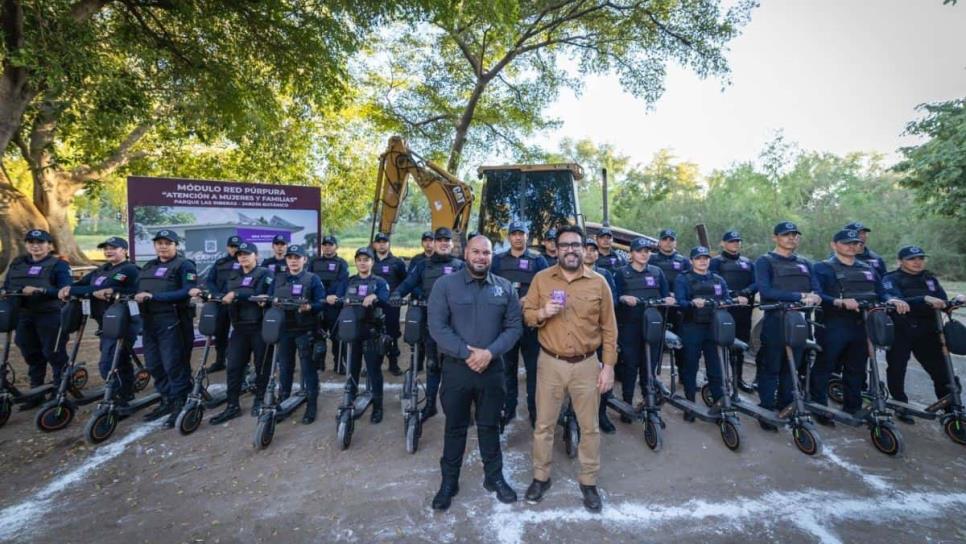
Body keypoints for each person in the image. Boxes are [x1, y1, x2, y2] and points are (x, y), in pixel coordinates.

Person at [522, 225, 617, 513]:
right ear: (557, 248)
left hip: (587, 364)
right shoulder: (541, 279)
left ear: (584, 248)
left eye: (576, 244)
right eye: (565, 245)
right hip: (550, 362)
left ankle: (588, 482)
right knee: (544, 426)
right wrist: (542, 313)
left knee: (590, 428)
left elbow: (609, 329)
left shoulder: (599, 283)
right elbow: (526, 315)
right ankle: (541, 477)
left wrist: (608, 367)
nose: (571, 250)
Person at [427, 235, 522, 510]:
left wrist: (489, 353)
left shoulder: (504, 288)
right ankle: (449, 482)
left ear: (492, 256)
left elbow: (514, 327)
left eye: (487, 253)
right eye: (477, 252)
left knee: (490, 426)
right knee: (455, 428)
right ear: (466, 253)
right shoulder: (445, 285)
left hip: (492, 371)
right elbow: (437, 327)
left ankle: (494, 478)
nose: (481, 257)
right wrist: (468, 353)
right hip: (457, 370)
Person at [813, 229, 908, 419]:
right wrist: (838, 302)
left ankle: (852, 406)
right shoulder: (821, 268)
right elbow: (817, 294)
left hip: (863, 324)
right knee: (825, 366)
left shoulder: (867, 268)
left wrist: (892, 300)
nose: (852, 246)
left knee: (856, 368)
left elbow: (881, 292)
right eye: (847, 243)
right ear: (834, 245)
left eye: (855, 243)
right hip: (834, 324)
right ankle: (819, 407)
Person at [753, 221, 823, 431]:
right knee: (771, 366)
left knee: (792, 367)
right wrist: (800, 296)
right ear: (775, 238)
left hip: (800, 321)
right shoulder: (765, 261)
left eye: (794, 235)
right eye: (786, 235)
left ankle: (786, 407)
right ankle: (766, 410)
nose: (791, 238)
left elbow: (817, 290)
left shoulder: (806, 263)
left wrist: (816, 298)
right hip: (775, 320)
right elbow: (766, 291)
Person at [883, 246, 966, 422]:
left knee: (941, 371)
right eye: (912, 259)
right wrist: (924, 299)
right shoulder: (890, 279)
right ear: (900, 262)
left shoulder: (929, 279)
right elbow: (894, 300)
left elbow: (942, 301)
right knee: (897, 369)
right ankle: (900, 405)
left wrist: (955, 301)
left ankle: (950, 409)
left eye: (921, 258)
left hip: (928, 331)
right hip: (901, 331)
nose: (917, 262)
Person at [391, 227, 465, 423]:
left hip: (455, 327)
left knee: (456, 368)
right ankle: (430, 405)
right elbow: (408, 283)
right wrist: (398, 294)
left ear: (451, 244)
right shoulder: (423, 265)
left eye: (446, 240)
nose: (443, 243)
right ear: (434, 242)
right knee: (432, 366)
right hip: (430, 324)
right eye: (439, 239)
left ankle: (459, 409)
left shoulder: (460, 266)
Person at [59, 237, 139, 406]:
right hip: (106, 323)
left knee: (107, 364)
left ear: (124, 251)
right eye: (106, 248)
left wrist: (77, 290)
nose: (108, 251)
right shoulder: (101, 270)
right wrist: (69, 289)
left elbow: (116, 288)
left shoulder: (129, 269)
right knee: (121, 359)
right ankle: (126, 392)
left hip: (124, 322)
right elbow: (83, 284)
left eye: (113, 248)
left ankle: (117, 398)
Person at [134, 229, 198, 427]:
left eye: (167, 243)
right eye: (159, 243)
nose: (162, 246)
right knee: (154, 364)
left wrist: (155, 297)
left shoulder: (184, 265)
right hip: (149, 321)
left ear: (175, 245)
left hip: (172, 320)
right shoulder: (149, 266)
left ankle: (180, 402)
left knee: (174, 364)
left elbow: (187, 291)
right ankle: (167, 399)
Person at [204, 241, 273, 424]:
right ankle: (232, 405)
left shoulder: (265, 274)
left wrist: (237, 295)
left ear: (255, 256)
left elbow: (261, 295)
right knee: (234, 367)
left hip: (259, 328)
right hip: (239, 328)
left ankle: (259, 400)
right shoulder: (233, 275)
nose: (242, 257)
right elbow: (225, 293)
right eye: (240, 254)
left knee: (261, 367)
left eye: (247, 254)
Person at [2, 229, 71, 408]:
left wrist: (41, 290)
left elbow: (66, 291)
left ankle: (60, 390)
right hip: (24, 315)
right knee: (30, 351)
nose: (35, 245)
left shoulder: (58, 265)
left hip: (50, 315)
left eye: (40, 242)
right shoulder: (18, 263)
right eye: (31, 242)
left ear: (49, 246)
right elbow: (8, 285)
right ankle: (36, 391)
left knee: (53, 352)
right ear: (26, 245)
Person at [491, 221, 548, 429]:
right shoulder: (497, 261)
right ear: (509, 237)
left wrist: (529, 300)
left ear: (527, 236)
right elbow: (489, 286)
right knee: (507, 369)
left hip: (530, 325)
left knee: (534, 371)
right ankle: (509, 408)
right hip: (506, 325)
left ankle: (534, 411)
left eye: (521, 234)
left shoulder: (538, 260)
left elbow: (548, 286)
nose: (517, 237)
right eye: (514, 234)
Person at [614, 237, 673, 424]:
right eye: (640, 251)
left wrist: (669, 299)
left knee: (649, 367)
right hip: (630, 326)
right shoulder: (621, 273)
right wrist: (624, 298)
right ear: (631, 253)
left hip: (653, 325)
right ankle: (627, 405)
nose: (644, 254)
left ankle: (650, 404)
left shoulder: (657, 272)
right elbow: (614, 298)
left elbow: (666, 294)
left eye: (647, 251)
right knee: (630, 366)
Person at [269, 244, 325, 423]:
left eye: (297, 257)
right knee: (285, 367)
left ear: (304, 260)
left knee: (308, 369)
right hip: (284, 329)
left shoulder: (313, 279)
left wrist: (309, 307)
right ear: (286, 260)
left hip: (305, 329)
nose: (293, 261)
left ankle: (312, 404)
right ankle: (283, 401)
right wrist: (269, 302)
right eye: (290, 258)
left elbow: (321, 302)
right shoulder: (278, 278)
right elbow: (271, 298)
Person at [675, 246, 732, 421]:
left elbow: (727, 299)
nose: (703, 261)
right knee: (690, 367)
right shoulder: (683, 278)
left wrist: (725, 303)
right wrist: (692, 303)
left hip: (714, 328)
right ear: (691, 260)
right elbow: (680, 301)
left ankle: (718, 405)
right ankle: (690, 405)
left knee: (716, 368)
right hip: (692, 327)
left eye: (706, 257)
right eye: (698, 258)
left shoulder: (718, 279)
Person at [340, 247, 390, 423]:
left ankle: (378, 407)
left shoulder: (380, 282)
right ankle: (350, 402)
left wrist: (375, 296)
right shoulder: (349, 281)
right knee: (352, 369)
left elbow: (386, 300)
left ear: (372, 262)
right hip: (352, 332)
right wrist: (334, 298)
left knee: (373, 371)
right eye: (360, 259)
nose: (363, 262)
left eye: (366, 259)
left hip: (371, 332)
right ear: (356, 262)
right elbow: (338, 297)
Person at [709, 230, 757, 390]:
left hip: (744, 310)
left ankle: (738, 379)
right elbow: (713, 281)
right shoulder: (716, 262)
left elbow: (757, 282)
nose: (735, 244)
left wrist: (745, 292)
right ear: (723, 243)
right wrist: (731, 294)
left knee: (741, 346)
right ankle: (720, 380)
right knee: (720, 345)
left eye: (737, 241)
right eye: (731, 241)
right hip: (724, 310)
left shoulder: (748, 262)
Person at [582, 237, 620, 433]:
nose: (589, 253)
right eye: (586, 249)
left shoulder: (605, 275)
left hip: (600, 332)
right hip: (579, 334)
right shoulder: (570, 273)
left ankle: (601, 413)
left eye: (593, 250)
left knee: (604, 374)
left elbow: (613, 303)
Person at [649, 228, 690, 377]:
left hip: (678, 307)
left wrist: (678, 295)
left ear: (675, 242)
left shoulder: (683, 261)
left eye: (671, 239)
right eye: (665, 239)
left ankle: (683, 375)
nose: (668, 242)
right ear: (659, 242)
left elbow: (689, 281)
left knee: (681, 341)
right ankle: (651, 376)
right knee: (655, 342)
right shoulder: (651, 259)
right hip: (658, 306)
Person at [309, 235, 349, 372]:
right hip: (318, 304)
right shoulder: (313, 262)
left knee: (337, 337)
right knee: (317, 336)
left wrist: (335, 297)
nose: (327, 247)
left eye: (330, 244)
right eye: (325, 244)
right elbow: (309, 281)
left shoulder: (342, 263)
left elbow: (343, 283)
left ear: (336, 246)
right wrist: (320, 297)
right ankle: (319, 363)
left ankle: (339, 364)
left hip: (334, 306)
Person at [371, 232, 407, 376]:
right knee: (373, 334)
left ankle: (393, 364)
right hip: (373, 305)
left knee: (392, 333)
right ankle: (372, 366)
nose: (381, 244)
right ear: (374, 244)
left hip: (391, 306)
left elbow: (405, 282)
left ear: (388, 244)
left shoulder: (397, 263)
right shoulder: (369, 260)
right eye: (378, 242)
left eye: (384, 242)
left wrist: (397, 295)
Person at [204, 235, 241, 373]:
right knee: (220, 334)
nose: (234, 249)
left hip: (238, 304)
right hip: (221, 303)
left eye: (237, 247)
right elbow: (210, 281)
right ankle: (220, 362)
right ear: (227, 247)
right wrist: (217, 294)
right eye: (232, 246)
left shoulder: (246, 261)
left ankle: (243, 365)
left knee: (240, 335)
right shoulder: (220, 263)